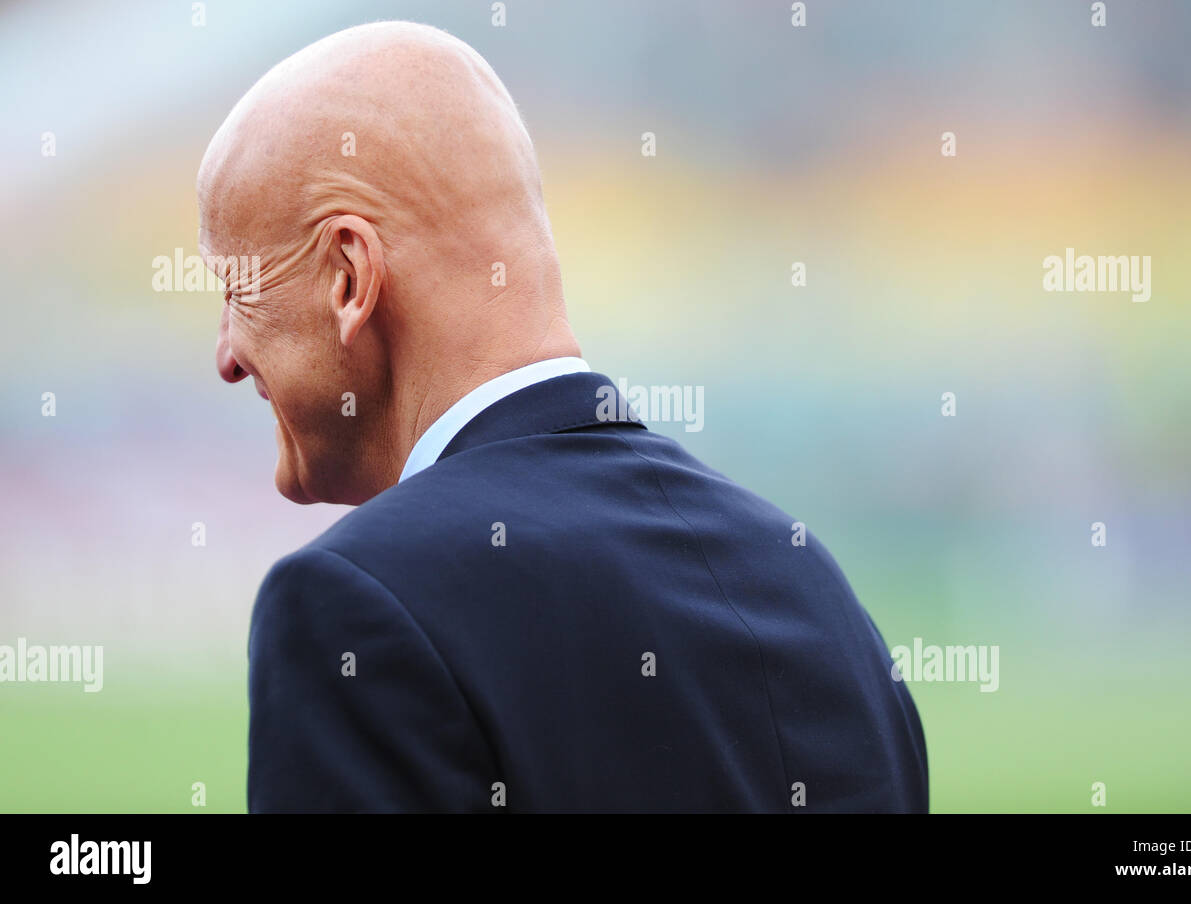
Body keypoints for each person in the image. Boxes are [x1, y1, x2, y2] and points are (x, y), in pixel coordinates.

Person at [197, 21, 927, 812]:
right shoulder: (812, 589)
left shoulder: (356, 604)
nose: (228, 355)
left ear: (350, 277)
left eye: (240, 288)